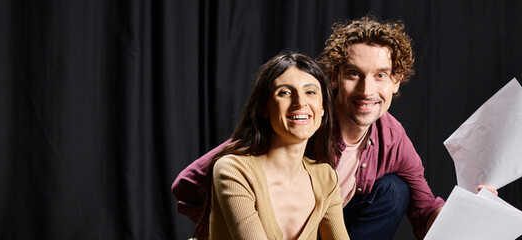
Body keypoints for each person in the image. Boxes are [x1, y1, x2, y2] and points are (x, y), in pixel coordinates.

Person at [174, 16, 497, 240]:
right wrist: (233, 218)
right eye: (354, 74)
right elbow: (188, 185)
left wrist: (473, 210)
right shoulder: (300, 120)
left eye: (381, 75)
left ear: (397, 81)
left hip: (331, 227)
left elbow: (425, 214)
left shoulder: (392, 136)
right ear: (333, 76)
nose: (367, 91)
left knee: (395, 191)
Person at [192, 52, 349, 240]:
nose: (300, 103)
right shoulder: (234, 170)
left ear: (323, 107)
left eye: (310, 92)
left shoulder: (325, 177)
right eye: (285, 92)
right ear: (265, 107)